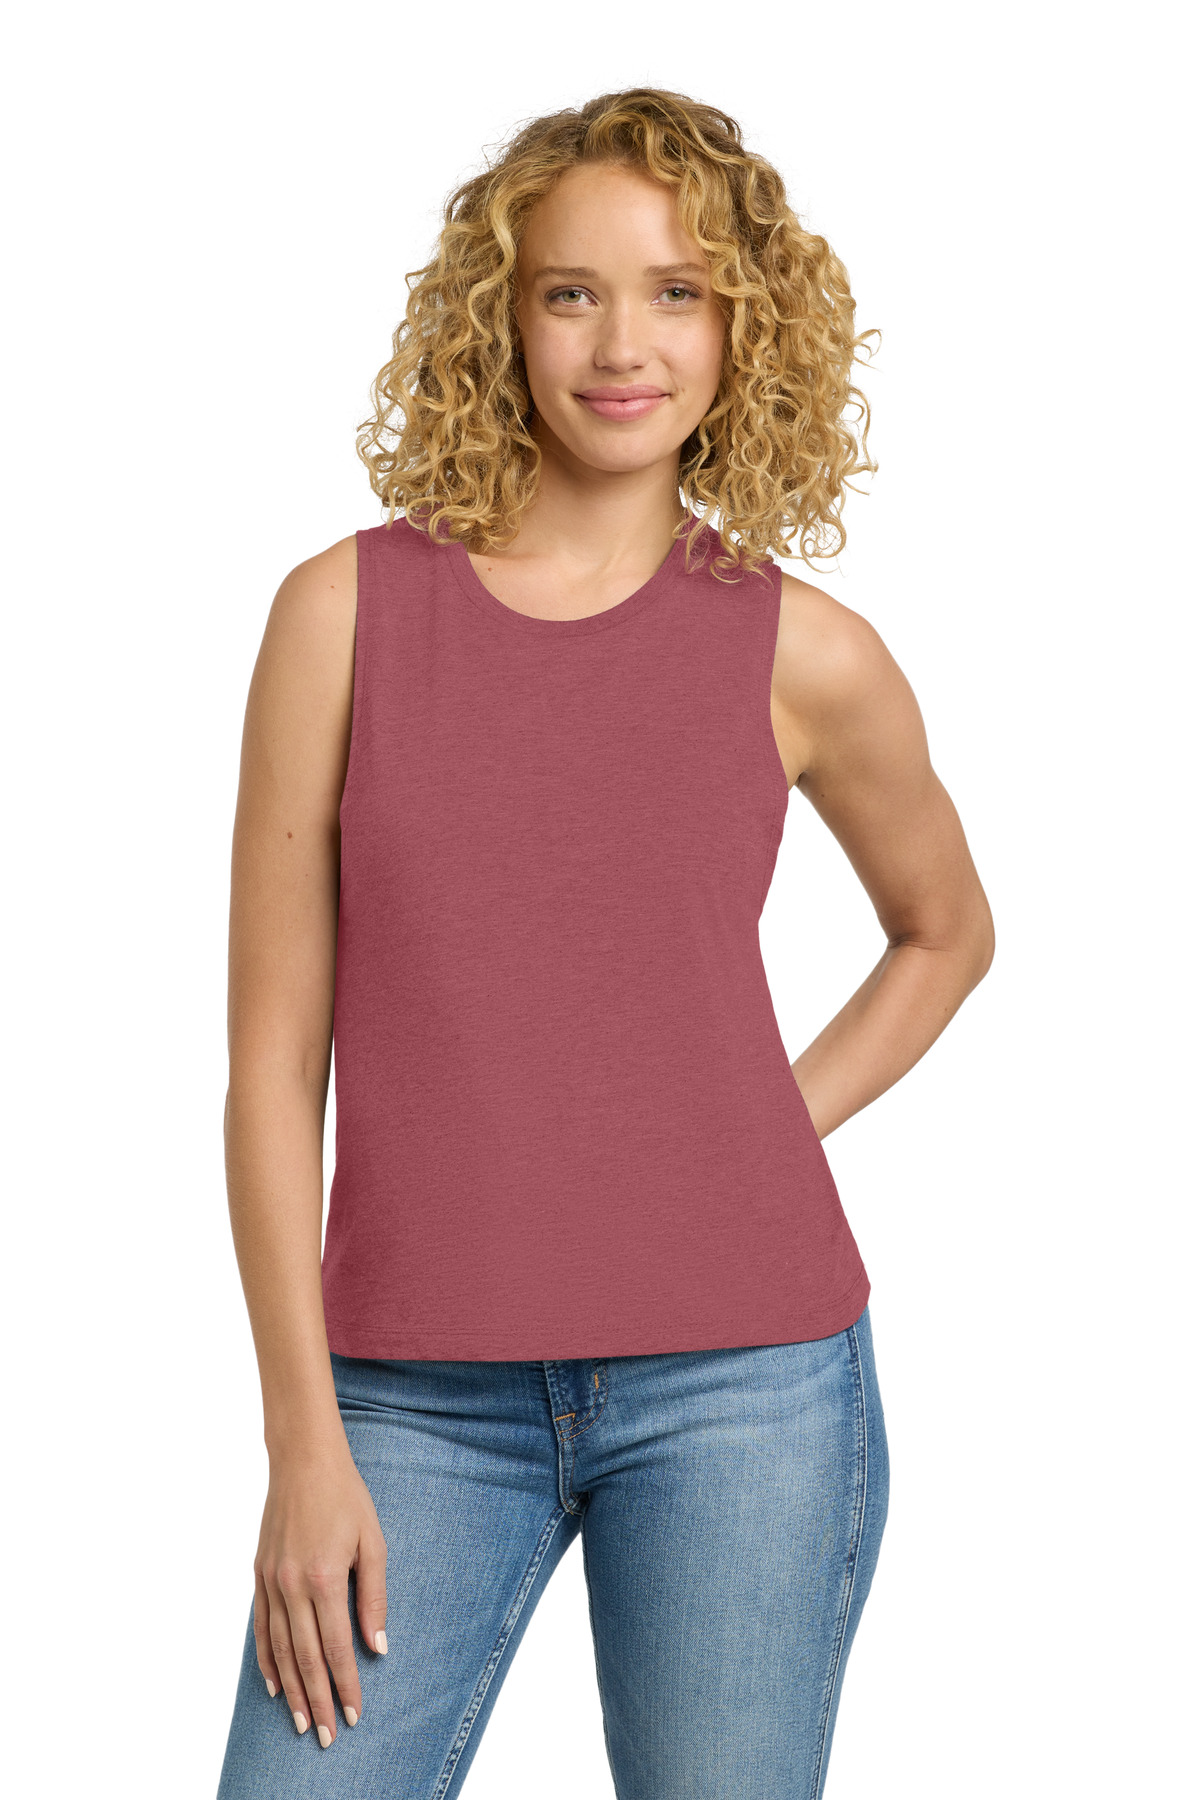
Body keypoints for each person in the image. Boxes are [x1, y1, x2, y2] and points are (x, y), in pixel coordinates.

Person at [215, 87, 994, 1799]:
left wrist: (752, 1131)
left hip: (748, 1391)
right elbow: (271, 1065)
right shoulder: (342, 618)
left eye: (676, 293)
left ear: (742, 325)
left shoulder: (807, 653)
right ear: (500, 319)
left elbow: (945, 933)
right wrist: (302, 1444)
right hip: (408, 1399)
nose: (622, 344)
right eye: (570, 292)